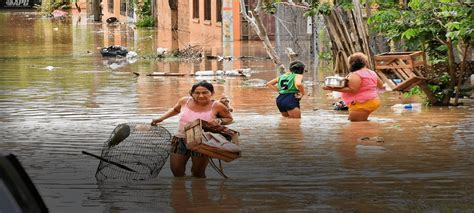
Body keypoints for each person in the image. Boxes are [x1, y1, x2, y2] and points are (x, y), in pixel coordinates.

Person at [151, 81, 233, 178]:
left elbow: (229, 119)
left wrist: (219, 121)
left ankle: (199, 191)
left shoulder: (217, 106)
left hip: (202, 142)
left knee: (198, 173)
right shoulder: (184, 101)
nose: (201, 96)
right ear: (191, 93)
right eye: (197, 93)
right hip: (180, 139)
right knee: (176, 171)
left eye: (205, 92)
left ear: (212, 93)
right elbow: (175, 110)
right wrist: (161, 118)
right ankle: (181, 191)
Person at [323, 52, 384, 121]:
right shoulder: (372, 73)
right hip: (373, 100)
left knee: (356, 125)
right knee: (357, 121)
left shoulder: (355, 75)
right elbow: (380, 85)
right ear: (365, 63)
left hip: (361, 103)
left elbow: (353, 89)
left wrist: (331, 88)